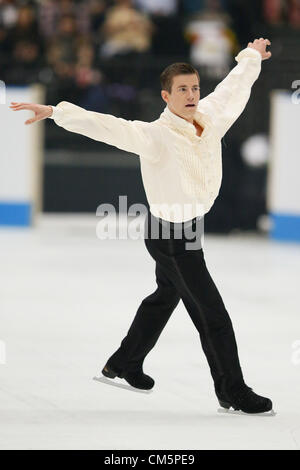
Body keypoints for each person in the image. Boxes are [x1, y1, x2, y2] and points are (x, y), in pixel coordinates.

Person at [10, 38, 274, 414]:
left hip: (186, 229)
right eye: (182, 89)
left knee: (165, 297)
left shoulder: (210, 117)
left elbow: (233, 87)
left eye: (195, 88)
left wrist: (251, 56)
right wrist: (55, 111)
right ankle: (233, 389)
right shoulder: (155, 135)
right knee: (212, 314)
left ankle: (124, 363)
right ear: (166, 96)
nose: (191, 95)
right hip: (170, 236)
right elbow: (107, 126)